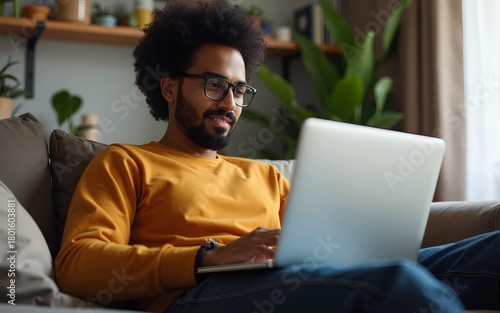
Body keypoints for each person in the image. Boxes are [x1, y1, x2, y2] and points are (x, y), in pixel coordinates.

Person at [54, 1, 499, 312]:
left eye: (238, 90)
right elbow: (78, 263)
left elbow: (314, 245)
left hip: (301, 276)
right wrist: (208, 256)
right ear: (169, 86)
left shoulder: (265, 175)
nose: (229, 103)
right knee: (404, 284)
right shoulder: (127, 162)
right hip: (199, 293)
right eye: (214, 84)